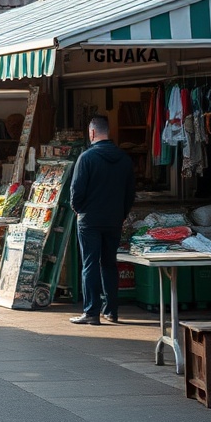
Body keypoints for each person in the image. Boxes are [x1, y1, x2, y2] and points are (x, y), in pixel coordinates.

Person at [69, 115, 136, 325]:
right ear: (109, 132)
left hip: (89, 219)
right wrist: (122, 213)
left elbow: (76, 192)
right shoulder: (124, 159)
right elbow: (130, 193)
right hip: (114, 219)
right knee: (109, 264)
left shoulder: (86, 158)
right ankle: (112, 311)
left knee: (89, 264)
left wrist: (79, 210)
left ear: (91, 133)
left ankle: (91, 312)